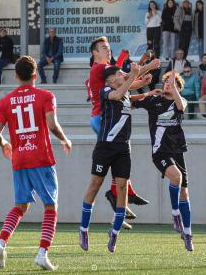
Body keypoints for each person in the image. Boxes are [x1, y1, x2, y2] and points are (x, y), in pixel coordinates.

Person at [0, 55, 71, 270]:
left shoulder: (5, 101)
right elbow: (52, 125)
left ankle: (0, 243)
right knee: (50, 205)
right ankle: (42, 253)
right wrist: (64, 139)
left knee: (21, 205)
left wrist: (5, 144)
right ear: (35, 75)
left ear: (16, 76)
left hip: (19, 159)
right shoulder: (46, 96)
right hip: (40, 157)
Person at [88, 37, 158, 229]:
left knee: (117, 163)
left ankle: (120, 196)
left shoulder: (107, 70)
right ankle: (117, 194)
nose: (108, 50)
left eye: (109, 47)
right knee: (116, 158)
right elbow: (126, 79)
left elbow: (125, 86)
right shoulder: (99, 68)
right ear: (95, 53)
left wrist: (141, 83)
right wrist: (148, 66)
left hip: (104, 117)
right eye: (104, 48)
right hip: (103, 118)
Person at [79, 63, 145, 253]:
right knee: (95, 185)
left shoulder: (124, 93)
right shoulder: (106, 90)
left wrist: (147, 91)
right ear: (109, 80)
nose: (122, 75)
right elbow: (118, 94)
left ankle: (114, 232)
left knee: (122, 188)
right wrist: (133, 75)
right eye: (118, 73)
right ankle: (83, 229)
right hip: (106, 147)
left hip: (123, 147)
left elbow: (128, 95)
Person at [133, 70, 194, 251]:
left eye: (172, 82)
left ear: (178, 87)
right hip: (160, 152)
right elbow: (129, 101)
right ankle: (175, 214)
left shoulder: (179, 101)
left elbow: (181, 106)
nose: (168, 84)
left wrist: (175, 89)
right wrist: (147, 93)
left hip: (177, 152)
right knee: (176, 178)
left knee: (185, 193)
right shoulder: (154, 101)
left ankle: (188, 234)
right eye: (166, 81)